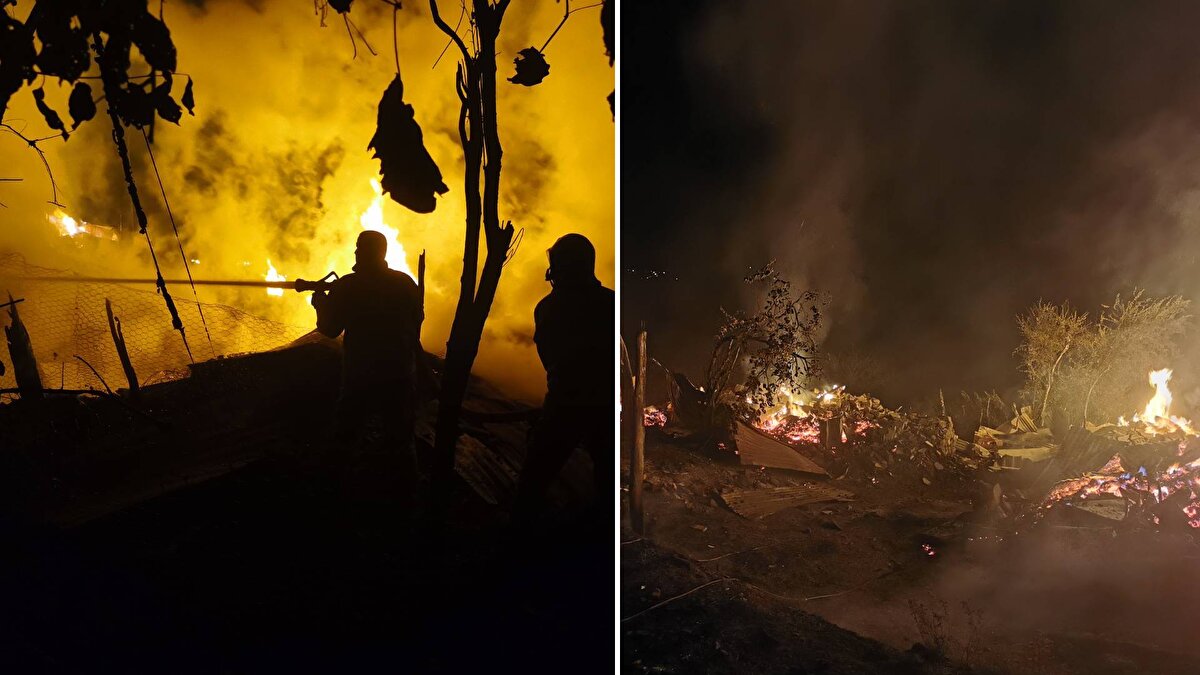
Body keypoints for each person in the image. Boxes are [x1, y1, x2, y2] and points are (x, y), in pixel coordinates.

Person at [311, 230, 423, 506]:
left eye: (360, 248)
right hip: (399, 373)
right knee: (400, 440)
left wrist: (320, 305)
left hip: (361, 375)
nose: (356, 252)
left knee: (345, 437)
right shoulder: (405, 282)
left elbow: (329, 329)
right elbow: (417, 320)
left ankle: (329, 498)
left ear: (370, 252)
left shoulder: (349, 286)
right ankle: (404, 500)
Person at [512, 233, 614, 527]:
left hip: (564, 404)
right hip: (603, 404)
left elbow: (549, 358)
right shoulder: (609, 303)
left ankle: (520, 537)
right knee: (606, 473)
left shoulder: (548, 308)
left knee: (534, 476)